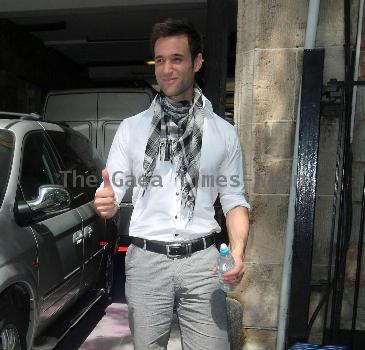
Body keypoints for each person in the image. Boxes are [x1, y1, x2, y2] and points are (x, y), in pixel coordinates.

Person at [93, 18, 250, 350]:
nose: (166, 69)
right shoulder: (132, 129)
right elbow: (114, 188)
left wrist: (236, 253)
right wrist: (106, 200)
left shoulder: (223, 133)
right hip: (146, 261)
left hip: (206, 260)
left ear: (197, 61)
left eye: (176, 59)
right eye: (159, 60)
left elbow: (234, 200)